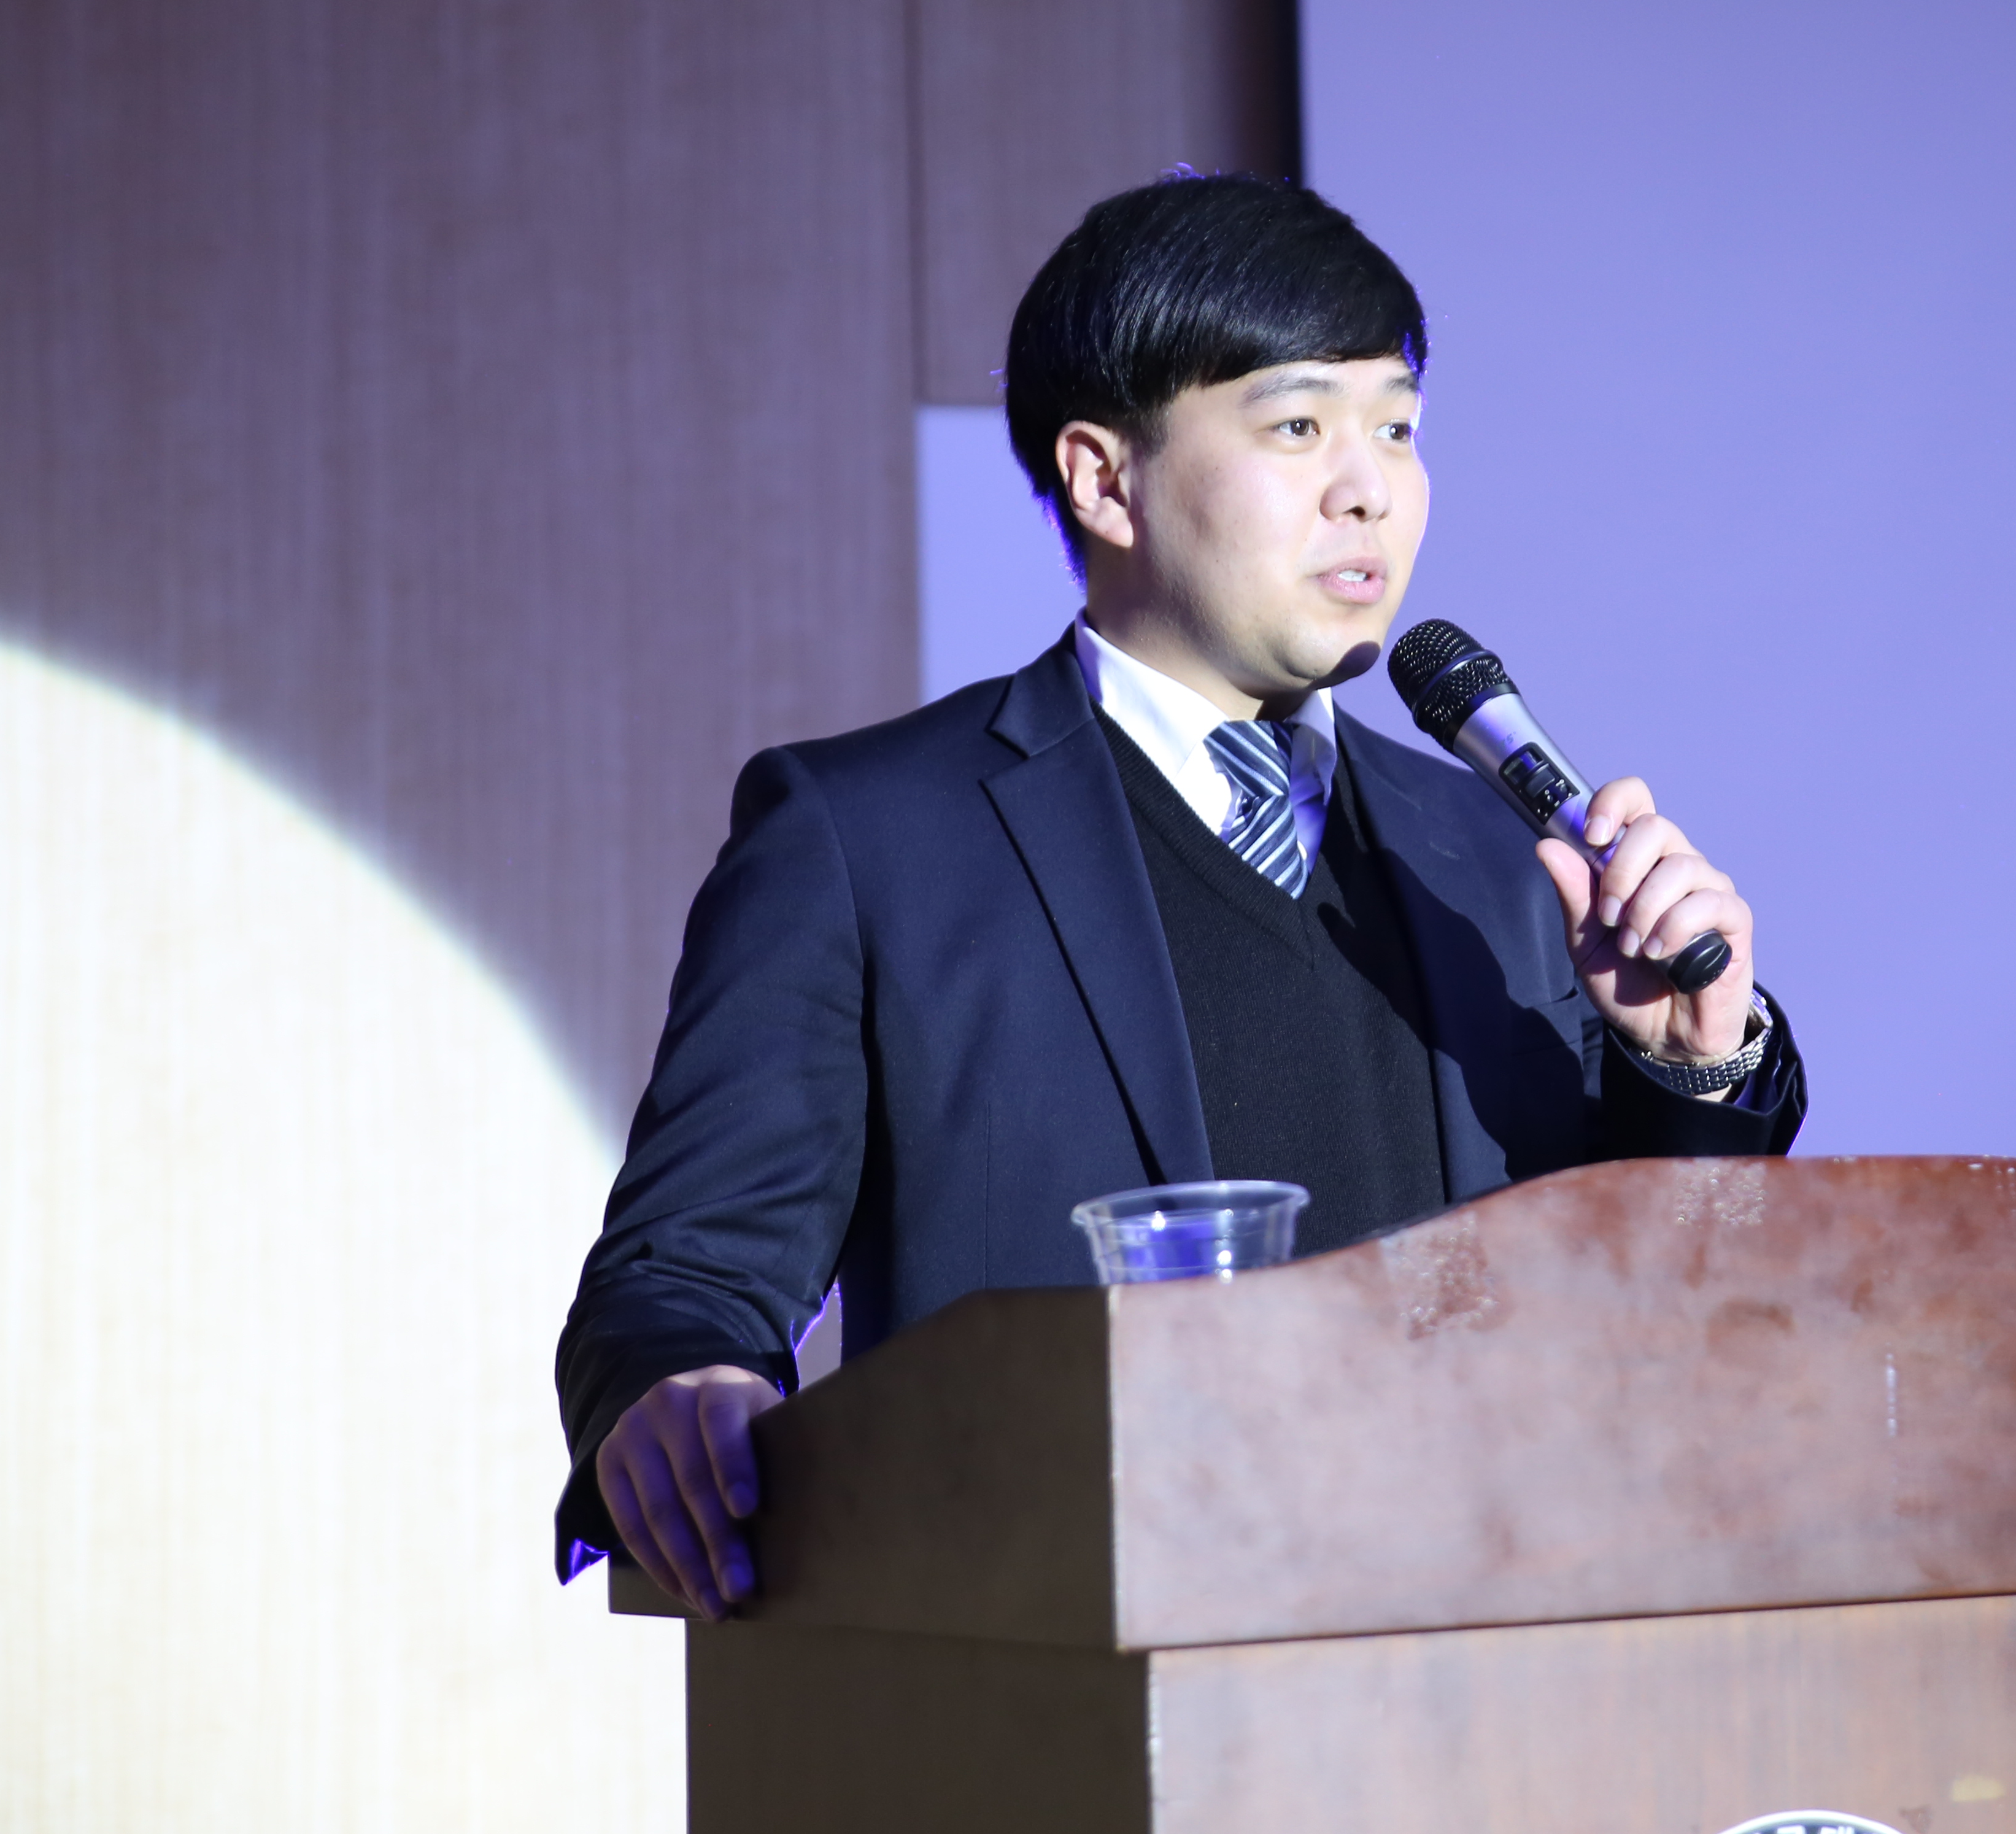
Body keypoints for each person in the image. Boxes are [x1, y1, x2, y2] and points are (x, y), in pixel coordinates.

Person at [552, 172, 1805, 1617]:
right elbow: (685, 1275)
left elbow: (1654, 1314)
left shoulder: (1496, 855)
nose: (1369, 486)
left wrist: (1690, 1069)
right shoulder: (871, 838)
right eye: (1299, 427)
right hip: (1059, 1660)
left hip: (1491, 1664)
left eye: (1398, 427)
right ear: (1104, 480)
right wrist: (682, 1385)